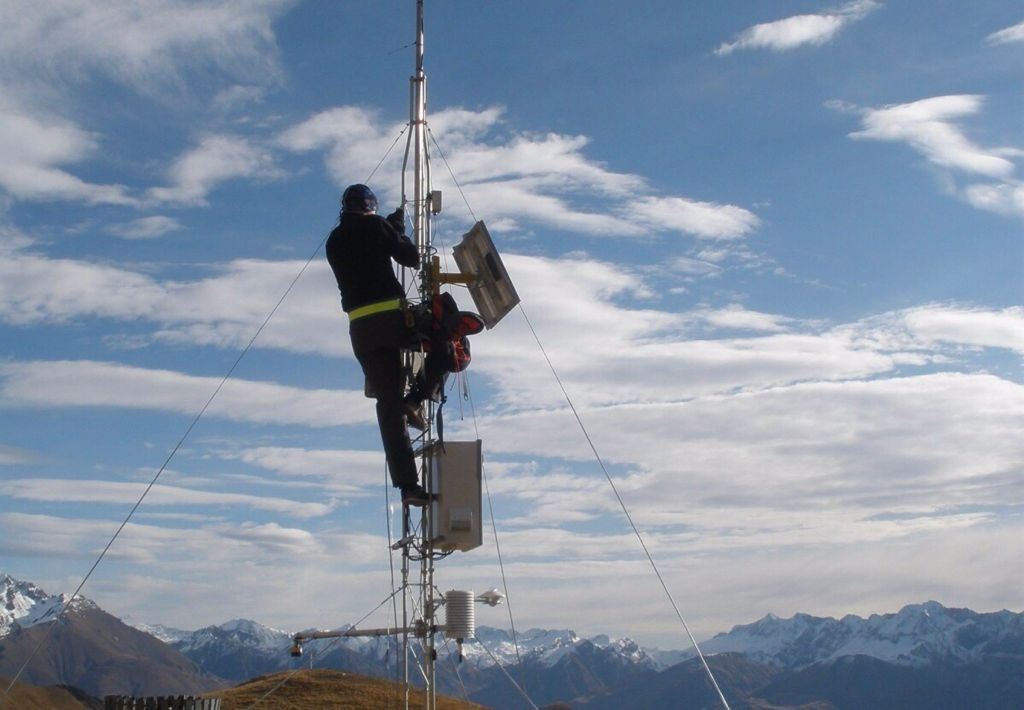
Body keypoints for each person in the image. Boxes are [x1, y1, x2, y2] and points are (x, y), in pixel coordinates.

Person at [325, 184, 431, 507]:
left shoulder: (334, 240)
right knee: (443, 342)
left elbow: (364, 252)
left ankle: (408, 487)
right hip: (392, 322)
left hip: (361, 331)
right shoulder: (376, 226)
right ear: (370, 206)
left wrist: (389, 229)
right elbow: (410, 257)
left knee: (387, 407)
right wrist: (394, 229)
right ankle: (416, 400)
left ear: (344, 208)